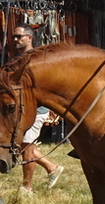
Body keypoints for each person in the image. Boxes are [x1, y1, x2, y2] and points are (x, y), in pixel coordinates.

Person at [11, 25, 65, 195]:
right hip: (23, 109)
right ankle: (52, 167)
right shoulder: (18, 58)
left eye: (19, 36)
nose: (15, 39)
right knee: (23, 145)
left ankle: (26, 187)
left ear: (29, 38)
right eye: (14, 36)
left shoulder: (36, 59)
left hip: (36, 109)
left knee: (26, 146)